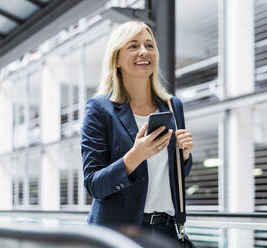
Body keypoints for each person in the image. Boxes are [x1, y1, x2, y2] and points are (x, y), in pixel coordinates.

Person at [81, 21, 193, 240]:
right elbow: (94, 185)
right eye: (133, 46)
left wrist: (185, 155)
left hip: (166, 231)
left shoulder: (172, 105)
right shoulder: (99, 108)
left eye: (149, 45)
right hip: (118, 234)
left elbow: (173, 177)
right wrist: (135, 156)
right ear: (117, 59)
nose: (144, 51)